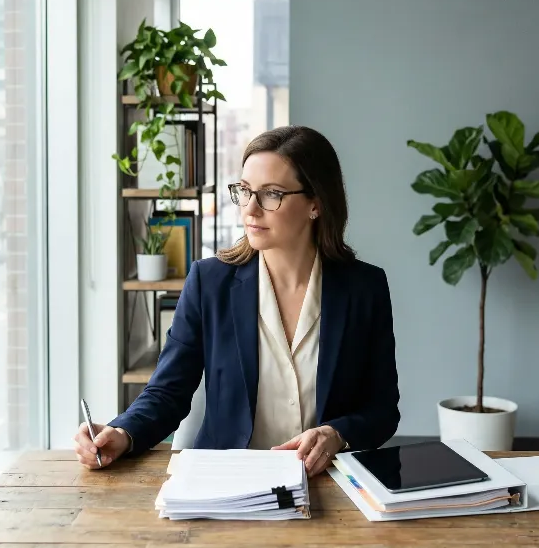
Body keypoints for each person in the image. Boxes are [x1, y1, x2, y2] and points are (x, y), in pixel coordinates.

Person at [74, 126, 400, 477]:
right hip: (226, 482)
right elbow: (168, 391)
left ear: (315, 204)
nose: (251, 210)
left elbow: (382, 409)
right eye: (244, 191)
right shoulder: (208, 283)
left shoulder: (364, 288)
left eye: (271, 194)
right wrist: (123, 432)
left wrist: (337, 434)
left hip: (329, 485)